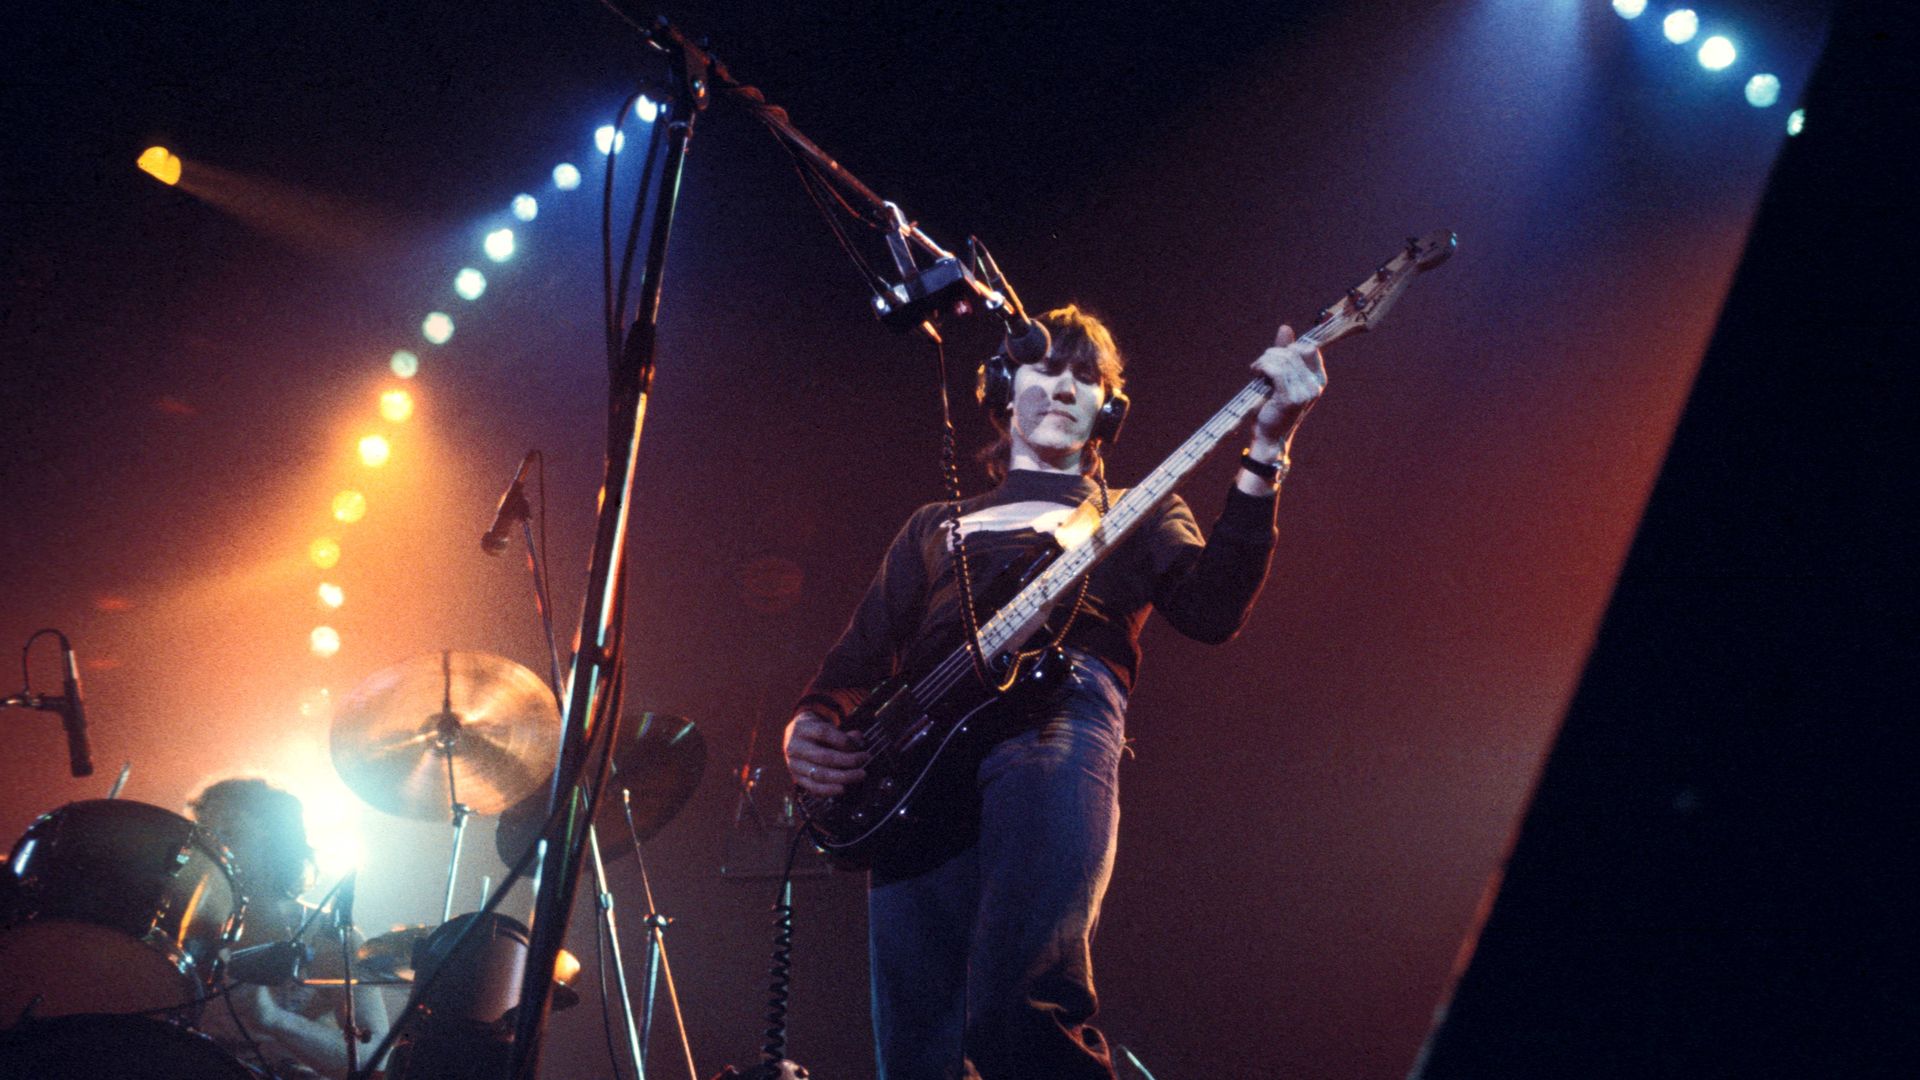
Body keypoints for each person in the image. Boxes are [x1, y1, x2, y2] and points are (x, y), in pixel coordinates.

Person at [783, 304, 1326, 1079]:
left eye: (1087, 375)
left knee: (1018, 1012)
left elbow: (1212, 612)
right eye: (1047, 367)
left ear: (1108, 407)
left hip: (1054, 719)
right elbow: (853, 665)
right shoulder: (936, 524)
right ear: (1005, 390)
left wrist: (1267, 447)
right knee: (915, 1052)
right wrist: (808, 724)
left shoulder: (1140, 508)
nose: (1066, 386)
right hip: (910, 768)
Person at [189, 777, 391, 1080]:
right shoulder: (184, 925)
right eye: (202, 833)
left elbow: (374, 1055)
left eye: (229, 830)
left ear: (276, 840)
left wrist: (272, 1018)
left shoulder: (328, 934)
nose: (212, 844)